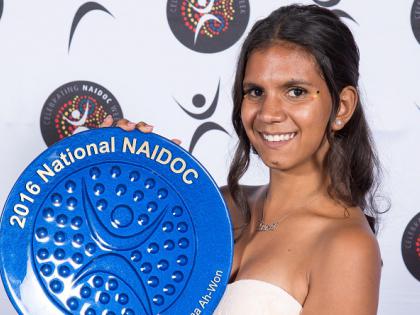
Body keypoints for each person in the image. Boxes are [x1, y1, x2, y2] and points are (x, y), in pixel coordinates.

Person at [101, 4, 384, 314]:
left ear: (342, 107)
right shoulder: (214, 205)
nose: (268, 114)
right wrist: (114, 173)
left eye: (296, 91)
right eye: (255, 92)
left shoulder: (347, 247)